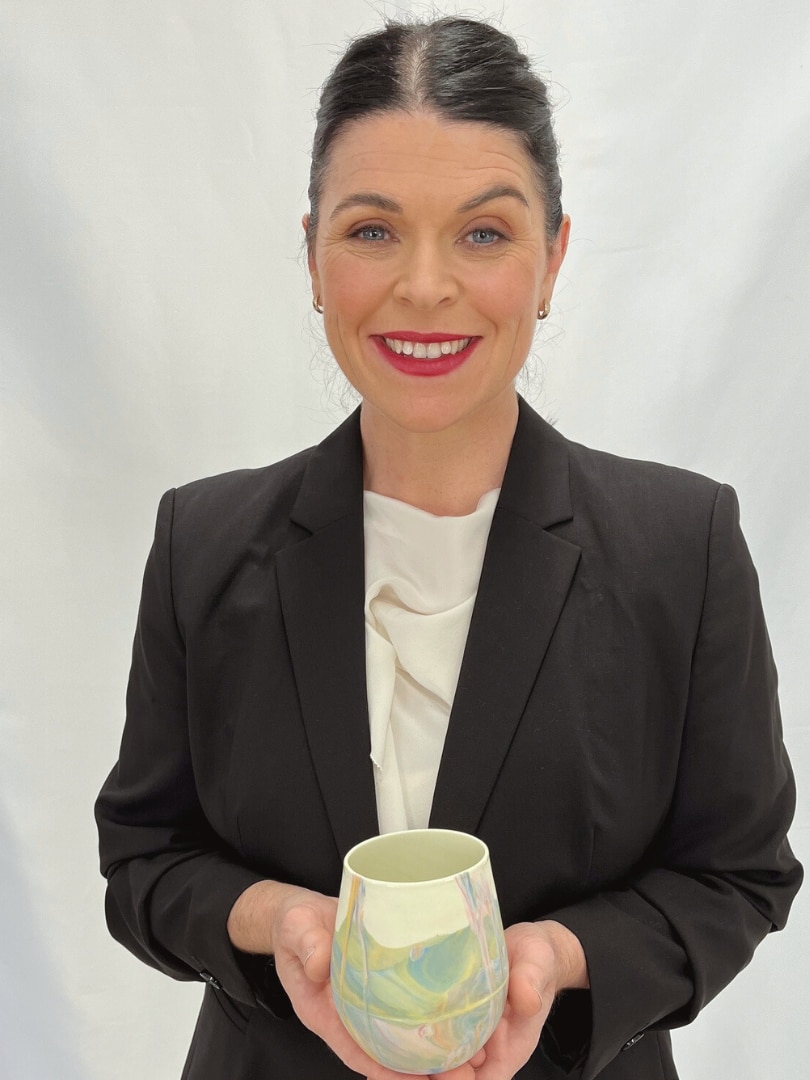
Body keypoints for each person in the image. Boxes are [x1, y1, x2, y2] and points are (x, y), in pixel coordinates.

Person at [95, 15, 802, 1080]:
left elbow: (740, 874)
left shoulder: (682, 546)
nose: (424, 286)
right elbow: (145, 860)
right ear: (314, 257)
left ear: (553, 257)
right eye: (373, 230)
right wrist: (275, 921)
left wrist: (555, 960)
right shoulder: (203, 541)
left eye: (483, 233)